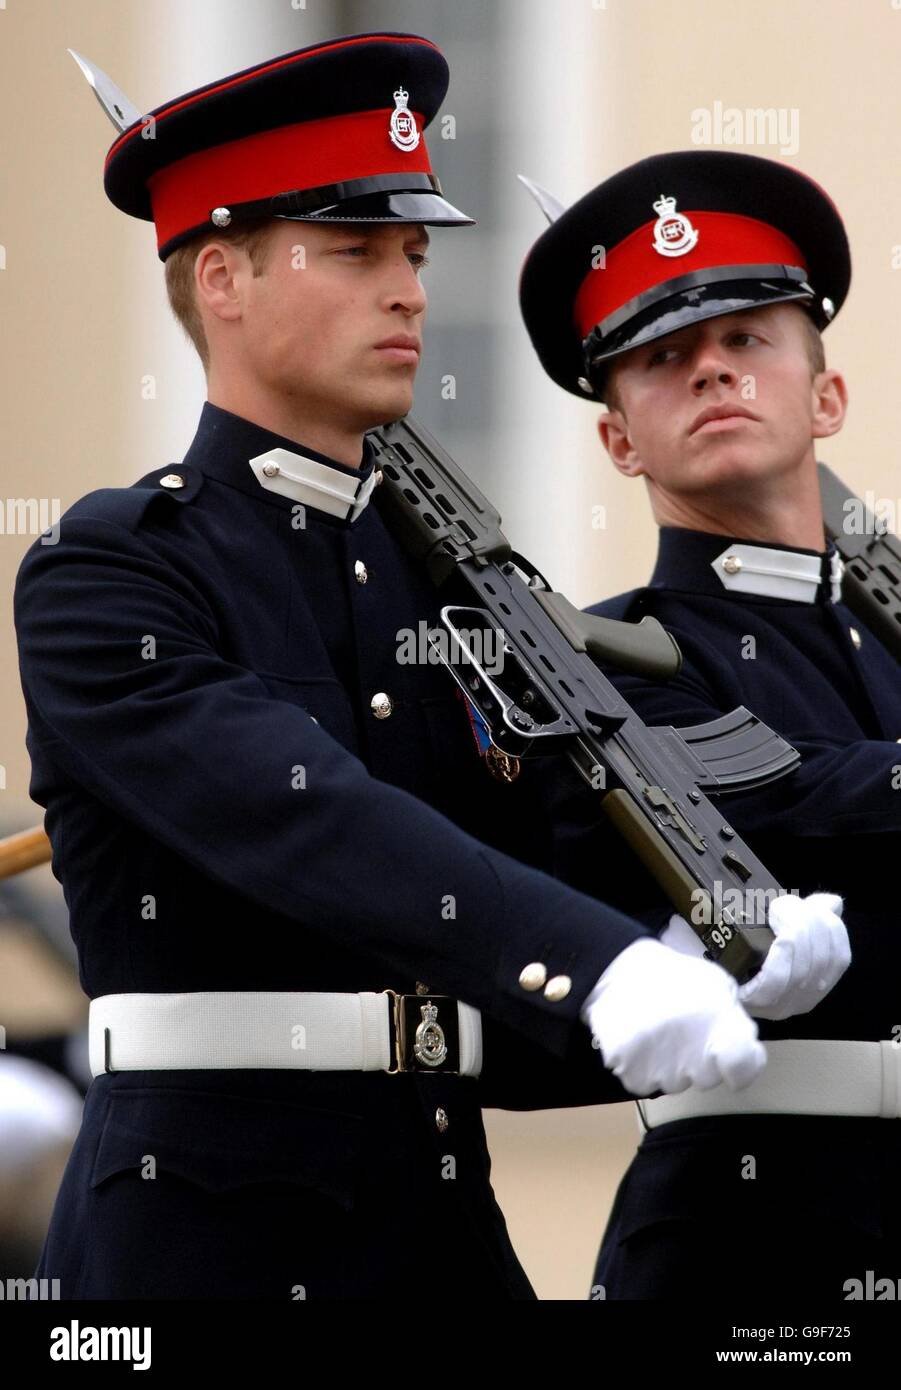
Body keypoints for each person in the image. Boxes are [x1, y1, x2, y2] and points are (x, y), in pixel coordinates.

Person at [14, 38, 843, 1300]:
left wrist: (694, 934)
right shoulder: (110, 570)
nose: (407, 291)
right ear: (224, 279)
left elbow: (526, 871)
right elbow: (305, 817)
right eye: (355, 253)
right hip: (202, 1240)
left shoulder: (443, 586)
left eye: (412, 254)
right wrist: (599, 962)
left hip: (436, 1222)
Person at [520, 147, 899, 1299]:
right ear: (619, 439)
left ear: (824, 394)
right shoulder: (593, 654)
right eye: (663, 357)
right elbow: (789, 797)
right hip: (753, 1229)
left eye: (746, 341)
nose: (710, 372)